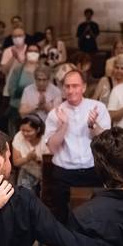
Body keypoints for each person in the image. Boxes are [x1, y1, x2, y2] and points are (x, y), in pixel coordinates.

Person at [44, 69, 111, 222]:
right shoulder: (56, 112)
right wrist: (64, 125)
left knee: (96, 214)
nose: (71, 90)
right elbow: (52, 148)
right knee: (61, 215)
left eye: (75, 86)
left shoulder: (98, 108)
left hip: (92, 170)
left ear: (84, 87)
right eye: (67, 86)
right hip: (64, 172)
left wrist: (93, 126)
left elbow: (106, 143)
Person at [4, 44, 42, 135]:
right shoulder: (18, 70)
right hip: (17, 111)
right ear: (26, 53)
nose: (33, 53)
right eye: (30, 51)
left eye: (35, 51)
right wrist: (25, 92)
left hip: (37, 113)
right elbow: (11, 90)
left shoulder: (43, 71)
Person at [11, 114, 48, 192]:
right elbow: (16, 162)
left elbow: (50, 162)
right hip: (27, 170)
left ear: (37, 130)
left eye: (29, 131)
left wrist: (37, 160)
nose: (25, 133)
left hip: (44, 172)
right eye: (23, 130)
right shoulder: (19, 136)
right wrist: (28, 158)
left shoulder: (46, 138)